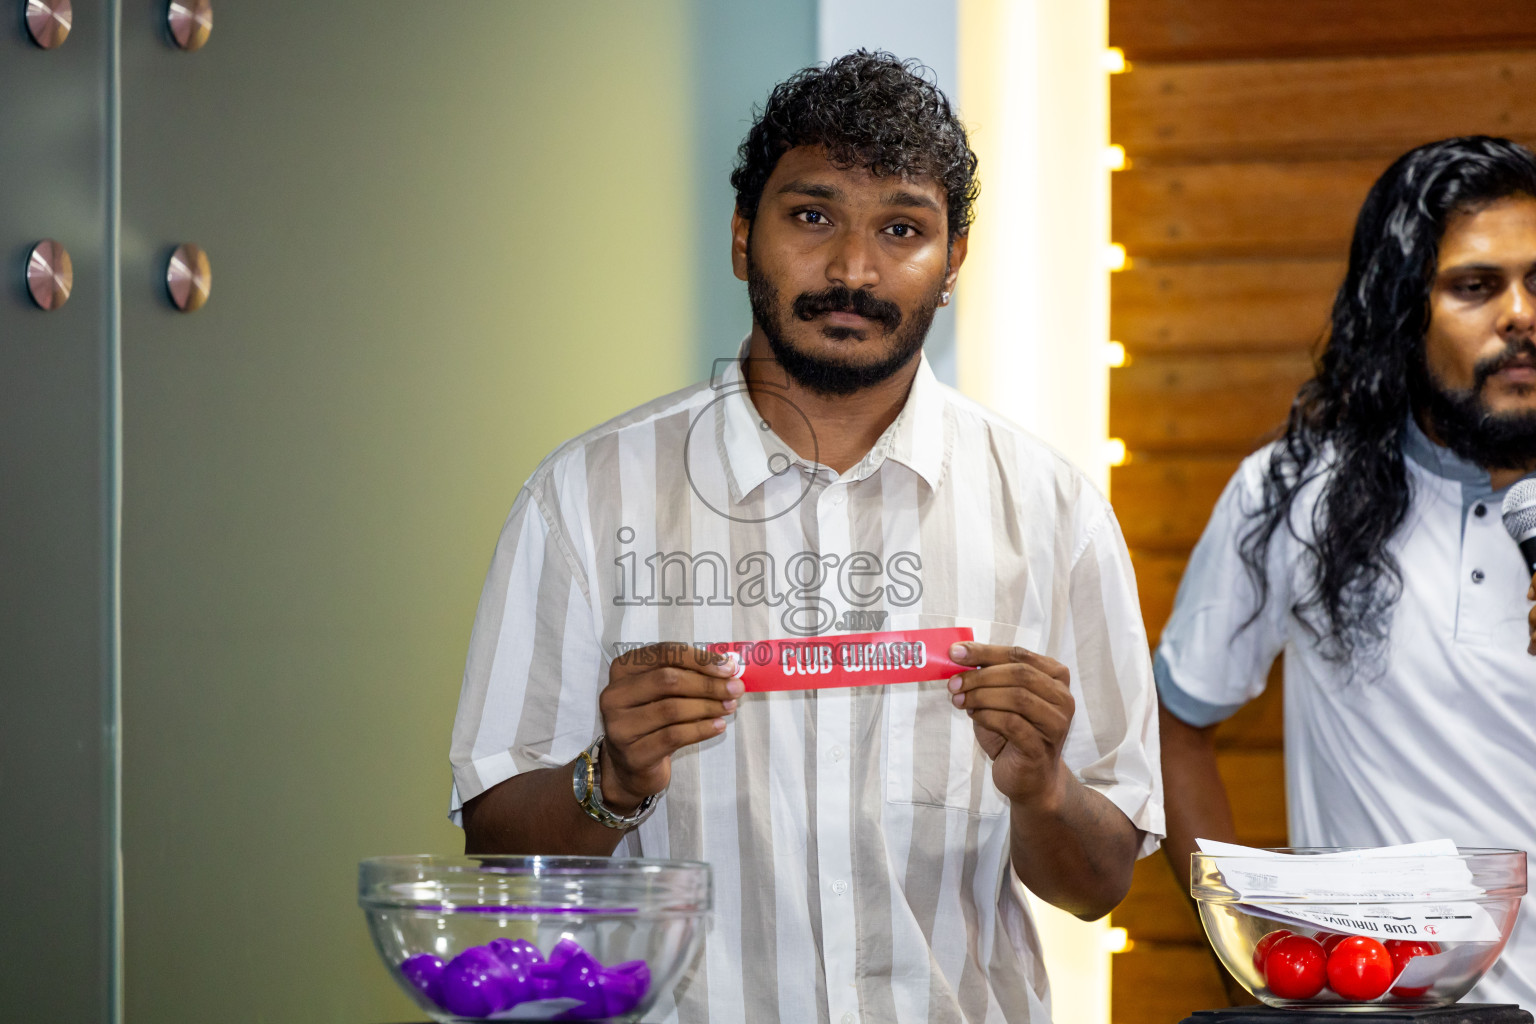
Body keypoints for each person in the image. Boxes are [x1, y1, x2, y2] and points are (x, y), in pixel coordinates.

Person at [449, 51, 1163, 1023]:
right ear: (743, 237)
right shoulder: (582, 498)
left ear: (953, 262)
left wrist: (1040, 789)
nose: (852, 270)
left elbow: (1101, 880)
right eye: (812, 215)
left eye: (902, 228)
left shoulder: (1055, 513)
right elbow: (498, 846)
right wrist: (605, 780)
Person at [1157, 136, 1536, 1007]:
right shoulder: (1295, 493)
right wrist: (1256, 968)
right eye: (1476, 287)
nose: (1520, 313)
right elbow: (1175, 730)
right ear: (1406, 311)